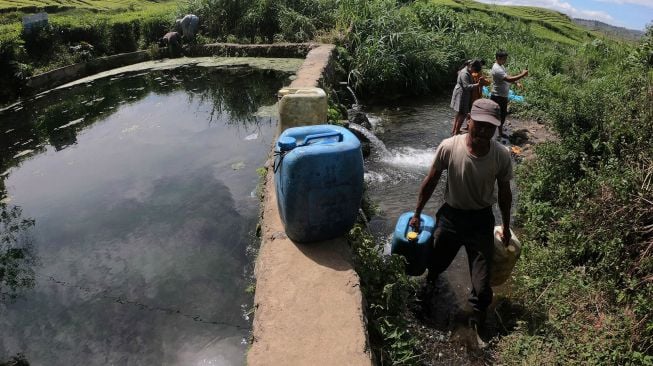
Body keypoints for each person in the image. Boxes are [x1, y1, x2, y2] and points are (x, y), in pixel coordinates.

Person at [409, 98, 513, 343]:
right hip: (451, 217)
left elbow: (505, 194)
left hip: (480, 222)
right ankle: (429, 290)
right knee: (435, 263)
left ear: (497, 128)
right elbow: (431, 181)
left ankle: (478, 321)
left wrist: (506, 227)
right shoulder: (449, 146)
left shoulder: (500, 155)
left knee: (482, 280)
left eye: (491, 127)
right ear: (469, 121)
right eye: (480, 125)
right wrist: (416, 213)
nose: (485, 131)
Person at [490, 50, 528, 137]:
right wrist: (522, 74)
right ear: (498, 58)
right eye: (504, 59)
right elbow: (508, 79)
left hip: (502, 95)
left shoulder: (501, 66)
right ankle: (492, 134)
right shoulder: (497, 69)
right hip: (498, 96)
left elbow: (508, 77)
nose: (505, 61)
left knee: (502, 115)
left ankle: (499, 133)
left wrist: (516, 83)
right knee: (497, 115)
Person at [450, 59, 489, 136]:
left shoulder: (467, 71)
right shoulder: (465, 73)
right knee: (463, 114)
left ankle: (454, 131)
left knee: (459, 113)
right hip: (462, 94)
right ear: (471, 66)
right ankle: (456, 132)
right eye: (474, 70)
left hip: (461, 93)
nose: (473, 72)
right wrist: (478, 84)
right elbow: (466, 87)